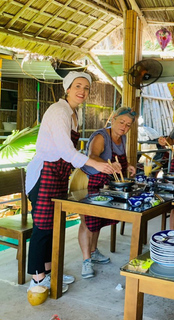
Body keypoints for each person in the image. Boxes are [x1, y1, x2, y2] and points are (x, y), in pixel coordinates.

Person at [25, 72, 114, 293]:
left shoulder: (73, 113)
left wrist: (94, 162)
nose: (82, 91)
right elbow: (66, 150)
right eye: (77, 86)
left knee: (53, 227)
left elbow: (69, 152)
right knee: (42, 228)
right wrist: (96, 164)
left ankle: (48, 272)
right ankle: (37, 280)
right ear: (68, 88)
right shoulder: (58, 111)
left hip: (58, 174)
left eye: (86, 87)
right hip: (45, 173)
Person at [78, 106, 137, 279]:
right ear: (113, 118)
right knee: (88, 222)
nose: (124, 127)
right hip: (90, 182)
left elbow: (120, 161)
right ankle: (86, 261)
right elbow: (93, 156)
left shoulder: (122, 138)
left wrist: (129, 167)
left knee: (97, 220)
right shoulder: (101, 136)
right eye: (121, 122)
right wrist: (109, 164)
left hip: (106, 185)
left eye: (128, 125)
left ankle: (94, 251)